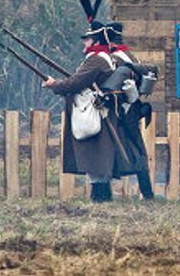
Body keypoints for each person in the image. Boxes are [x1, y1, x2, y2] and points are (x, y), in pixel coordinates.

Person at [42, 21, 121, 202]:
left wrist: (55, 85)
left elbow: (76, 82)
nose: (84, 43)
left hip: (94, 113)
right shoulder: (102, 57)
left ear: (95, 41)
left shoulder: (96, 59)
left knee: (96, 157)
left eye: (88, 39)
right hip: (99, 112)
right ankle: (102, 197)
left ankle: (99, 198)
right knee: (97, 157)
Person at [106, 22, 155, 200]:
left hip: (124, 110)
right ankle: (147, 193)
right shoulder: (129, 55)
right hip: (130, 108)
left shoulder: (117, 59)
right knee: (136, 150)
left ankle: (147, 193)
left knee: (135, 150)